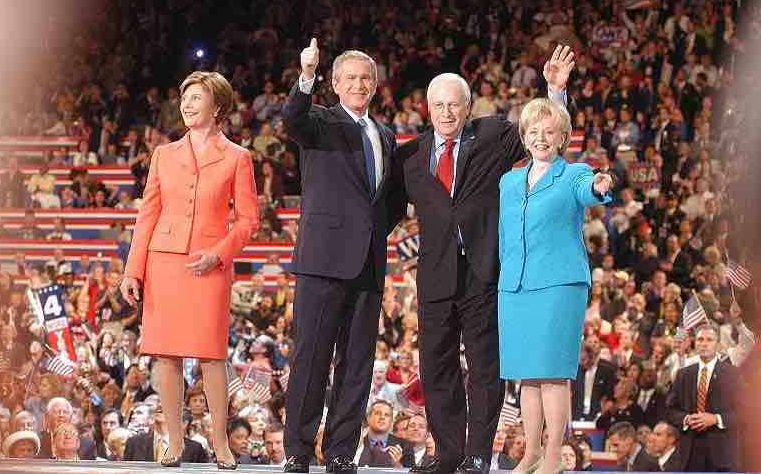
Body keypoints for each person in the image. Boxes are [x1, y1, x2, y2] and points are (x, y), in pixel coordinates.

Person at [390, 45, 576, 474]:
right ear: (427, 109)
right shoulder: (410, 157)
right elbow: (388, 212)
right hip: (435, 277)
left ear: (468, 107)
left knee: (484, 369)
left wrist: (554, 89)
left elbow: (539, 131)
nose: (446, 113)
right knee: (435, 368)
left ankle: (477, 454)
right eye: (438, 105)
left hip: (483, 272)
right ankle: (448, 452)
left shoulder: (492, 135)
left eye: (454, 105)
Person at [121, 71, 259, 469]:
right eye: (185, 98)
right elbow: (147, 214)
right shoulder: (164, 154)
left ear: (217, 107)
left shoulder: (238, 157)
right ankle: (175, 443)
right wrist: (133, 270)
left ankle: (221, 443)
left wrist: (219, 254)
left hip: (209, 266)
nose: (187, 105)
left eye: (196, 98)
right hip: (163, 261)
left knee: (211, 355)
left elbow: (249, 220)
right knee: (166, 355)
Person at [281, 39, 396, 474]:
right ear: (335, 83)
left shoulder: (384, 134)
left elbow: (387, 200)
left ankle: (342, 451)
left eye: (366, 78)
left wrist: (372, 234)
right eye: (350, 77)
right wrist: (305, 74)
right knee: (310, 358)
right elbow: (291, 118)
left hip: (368, 264)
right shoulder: (318, 121)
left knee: (357, 363)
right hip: (322, 262)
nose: (359, 84)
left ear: (375, 85)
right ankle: (297, 450)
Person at [498, 96, 613, 474]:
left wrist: (599, 185)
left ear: (562, 137)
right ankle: (530, 452)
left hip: (559, 285)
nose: (541, 138)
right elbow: (503, 235)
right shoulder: (509, 181)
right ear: (524, 136)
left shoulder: (574, 174)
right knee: (527, 375)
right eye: (534, 131)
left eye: (549, 132)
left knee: (552, 372)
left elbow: (590, 190)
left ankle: (552, 457)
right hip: (515, 286)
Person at [667, 324, 738, 471]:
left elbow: (744, 413)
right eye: (700, 340)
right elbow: (670, 410)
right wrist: (685, 419)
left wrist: (716, 419)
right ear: (695, 343)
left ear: (718, 344)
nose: (704, 344)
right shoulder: (683, 374)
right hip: (689, 454)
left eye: (709, 340)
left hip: (721, 455)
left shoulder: (733, 375)